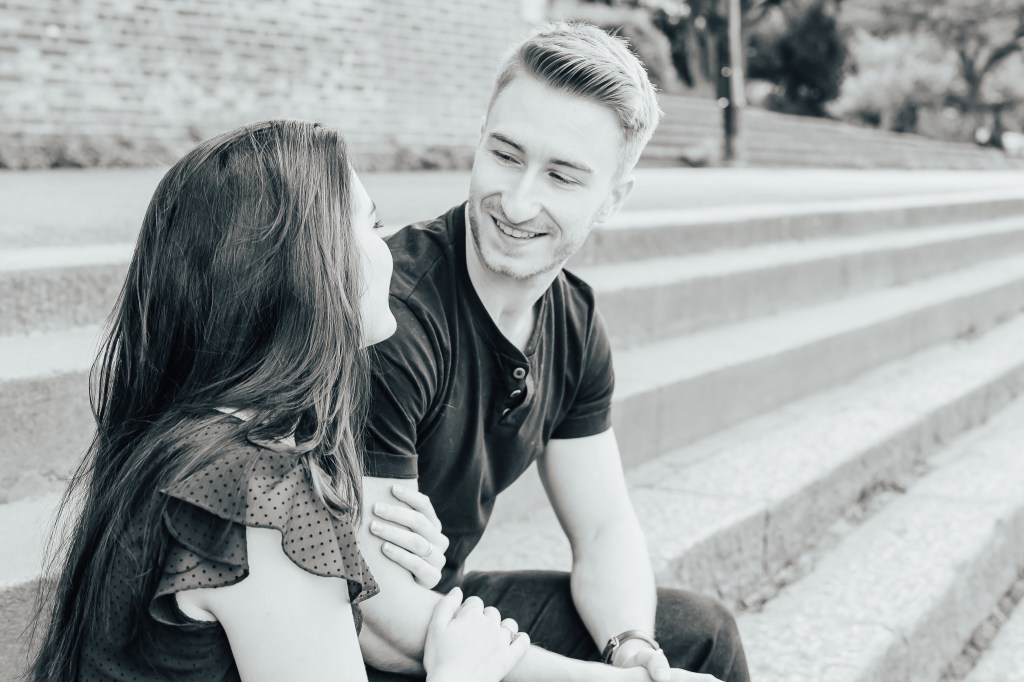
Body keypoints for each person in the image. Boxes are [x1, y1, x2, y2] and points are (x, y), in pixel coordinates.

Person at [26, 120, 530, 682]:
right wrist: (463, 670)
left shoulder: (191, 444)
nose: (389, 249)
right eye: (370, 225)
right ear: (304, 267)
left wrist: (361, 565)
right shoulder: (263, 500)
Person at [358, 22, 750, 682]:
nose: (518, 203)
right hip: (344, 644)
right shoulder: (390, 317)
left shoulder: (573, 319)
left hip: (441, 617)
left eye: (562, 177)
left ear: (612, 199)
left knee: (699, 635)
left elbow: (603, 530)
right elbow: (373, 616)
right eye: (506, 156)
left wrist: (632, 649)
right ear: (480, 140)